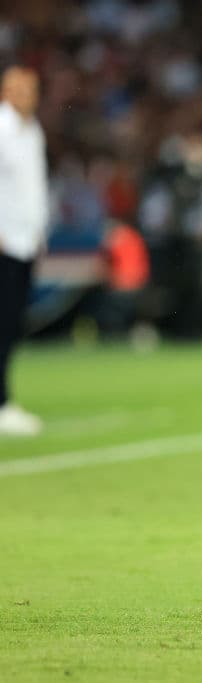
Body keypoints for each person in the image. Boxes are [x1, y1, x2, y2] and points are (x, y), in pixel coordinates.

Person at [0, 65, 47, 437]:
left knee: (12, 324)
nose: (21, 95)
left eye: (27, 88)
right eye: (14, 88)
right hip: (4, 241)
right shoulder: (2, 129)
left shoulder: (32, 131)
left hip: (25, 242)